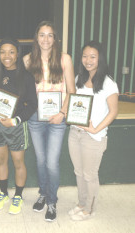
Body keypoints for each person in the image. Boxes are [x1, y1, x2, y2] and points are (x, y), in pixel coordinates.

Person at [23, 21, 75, 221]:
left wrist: (62, 112)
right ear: (36, 38)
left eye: (50, 35)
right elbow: (25, 92)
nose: (46, 39)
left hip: (57, 118)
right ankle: (43, 193)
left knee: (52, 163)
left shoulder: (64, 59)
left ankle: (52, 202)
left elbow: (71, 91)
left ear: (55, 38)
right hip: (36, 118)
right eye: (42, 35)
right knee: (40, 160)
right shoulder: (28, 60)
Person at [68, 41, 119, 221]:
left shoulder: (108, 83)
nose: (88, 60)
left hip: (94, 137)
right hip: (75, 133)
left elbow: (113, 111)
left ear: (100, 58)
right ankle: (82, 203)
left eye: (92, 56)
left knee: (90, 174)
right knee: (79, 172)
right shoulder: (78, 79)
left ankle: (90, 209)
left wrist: (95, 128)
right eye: (84, 56)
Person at [0, 38, 37, 214]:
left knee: (18, 162)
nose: (6, 56)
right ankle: (3, 193)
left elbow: (32, 105)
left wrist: (14, 120)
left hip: (16, 125)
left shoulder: (26, 77)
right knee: (1, 160)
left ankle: (18, 196)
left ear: (17, 54)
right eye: (2, 52)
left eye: (11, 52)